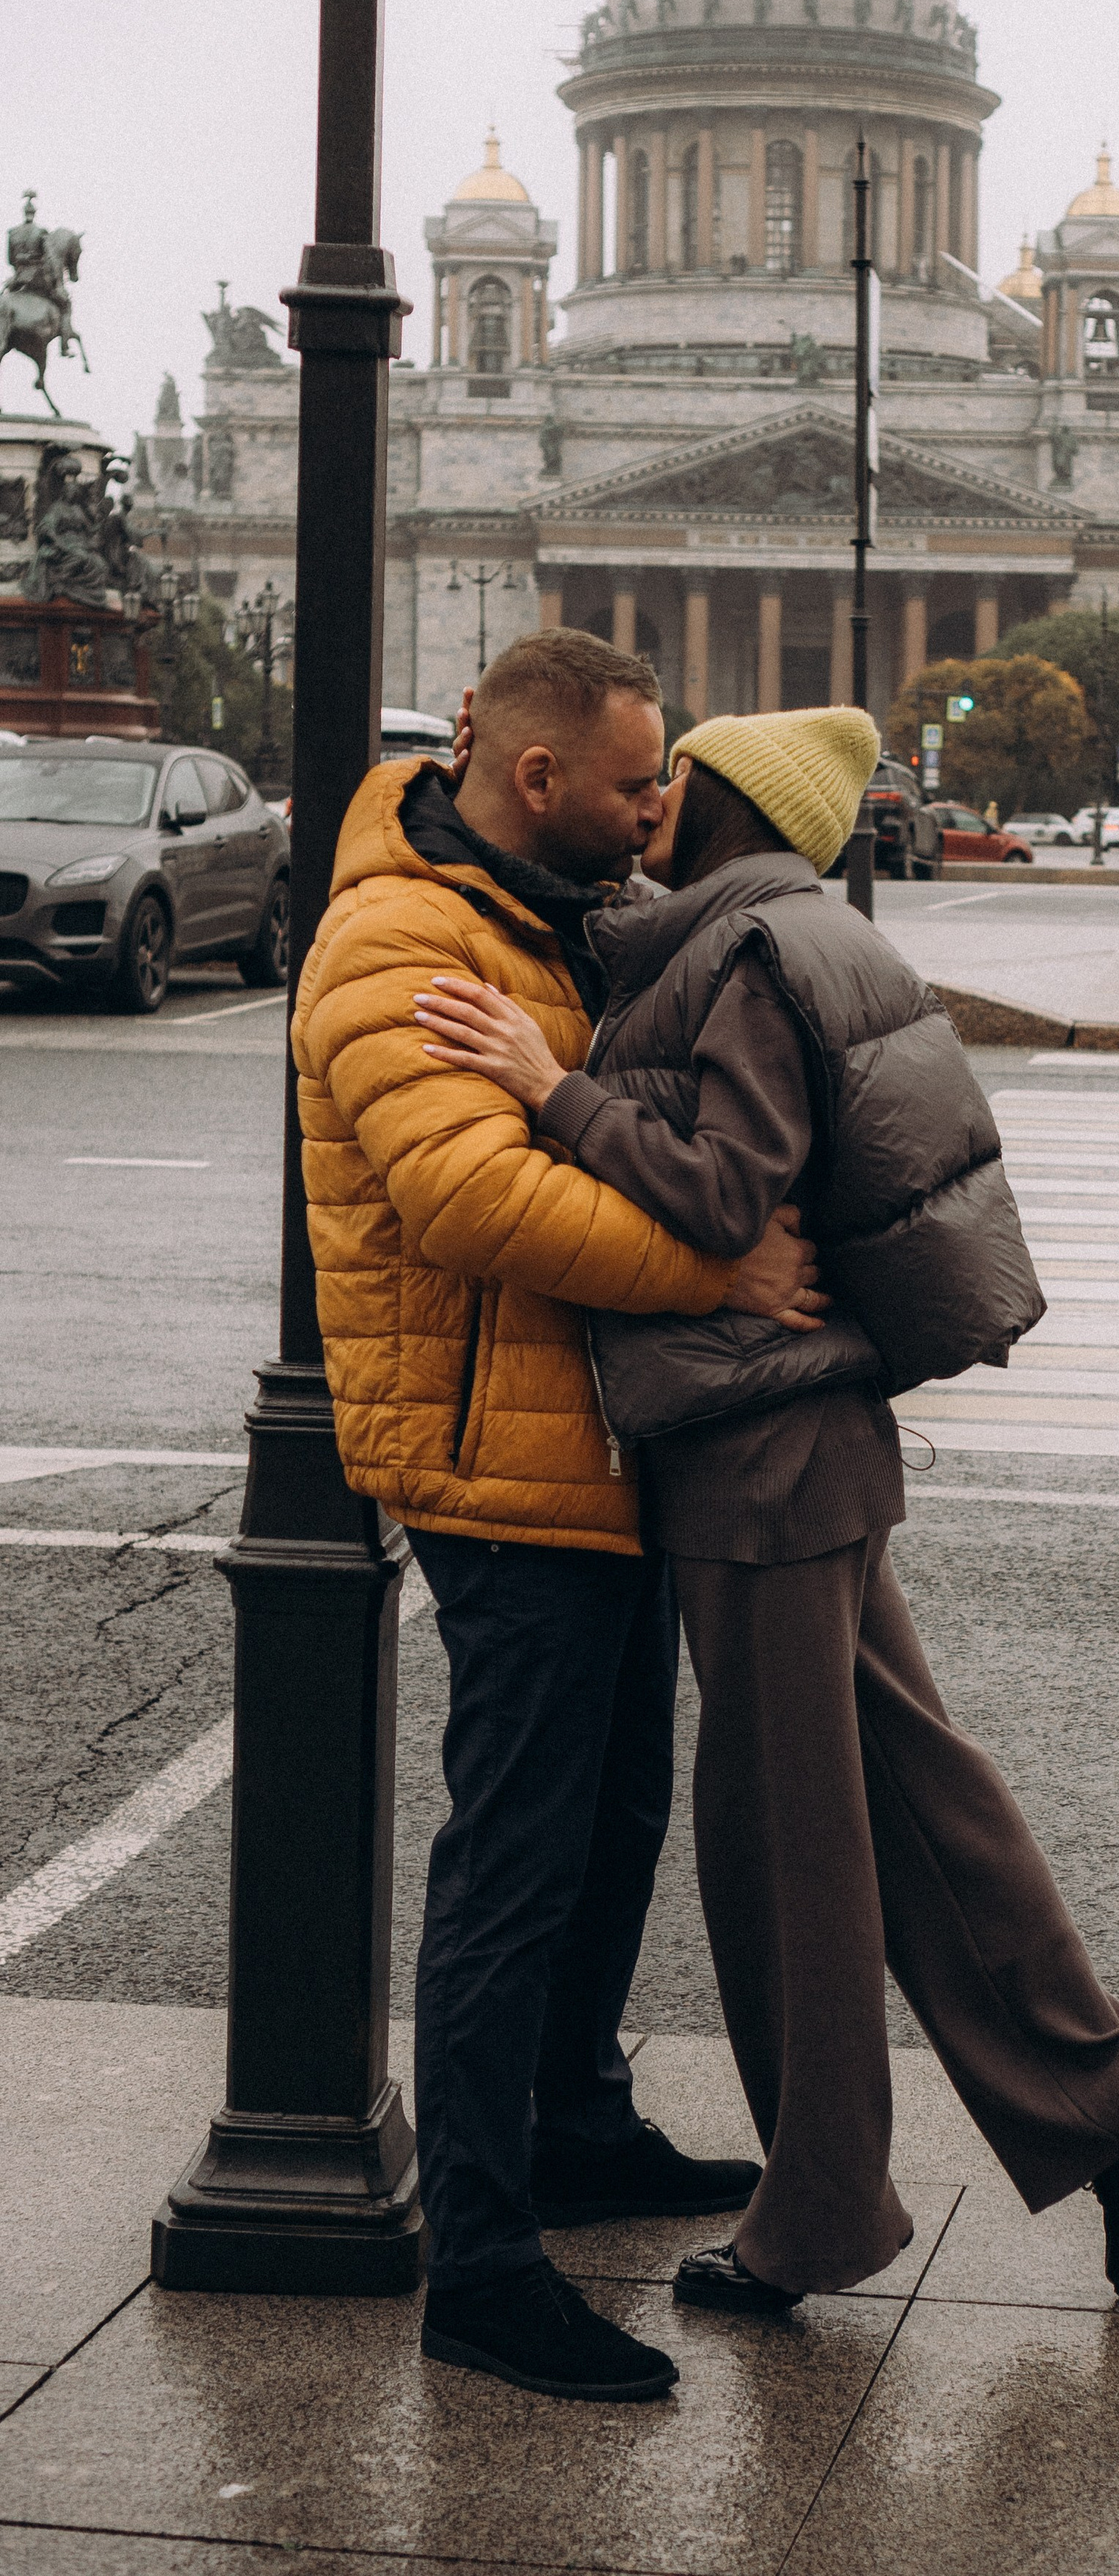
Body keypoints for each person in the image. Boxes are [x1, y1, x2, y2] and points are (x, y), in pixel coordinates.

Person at [414, 704, 1119, 2316]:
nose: (649, 799)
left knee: (786, 1850)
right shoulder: (787, 933)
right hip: (802, 1444)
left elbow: (720, 1193)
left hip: (758, 1451)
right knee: (912, 1801)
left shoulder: (753, 954)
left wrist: (544, 1088)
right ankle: (1111, 2106)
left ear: (728, 801)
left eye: (671, 777)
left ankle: (820, 2210)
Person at [291, 631, 831, 2406]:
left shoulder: (534, 916)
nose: (659, 805)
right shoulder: (398, 938)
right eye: (633, 780)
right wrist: (720, 1266)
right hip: (495, 1459)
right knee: (512, 1866)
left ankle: (576, 2124)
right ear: (536, 780)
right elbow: (471, 1203)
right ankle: (488, 2266)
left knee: (609, 1819)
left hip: (584, 1446)